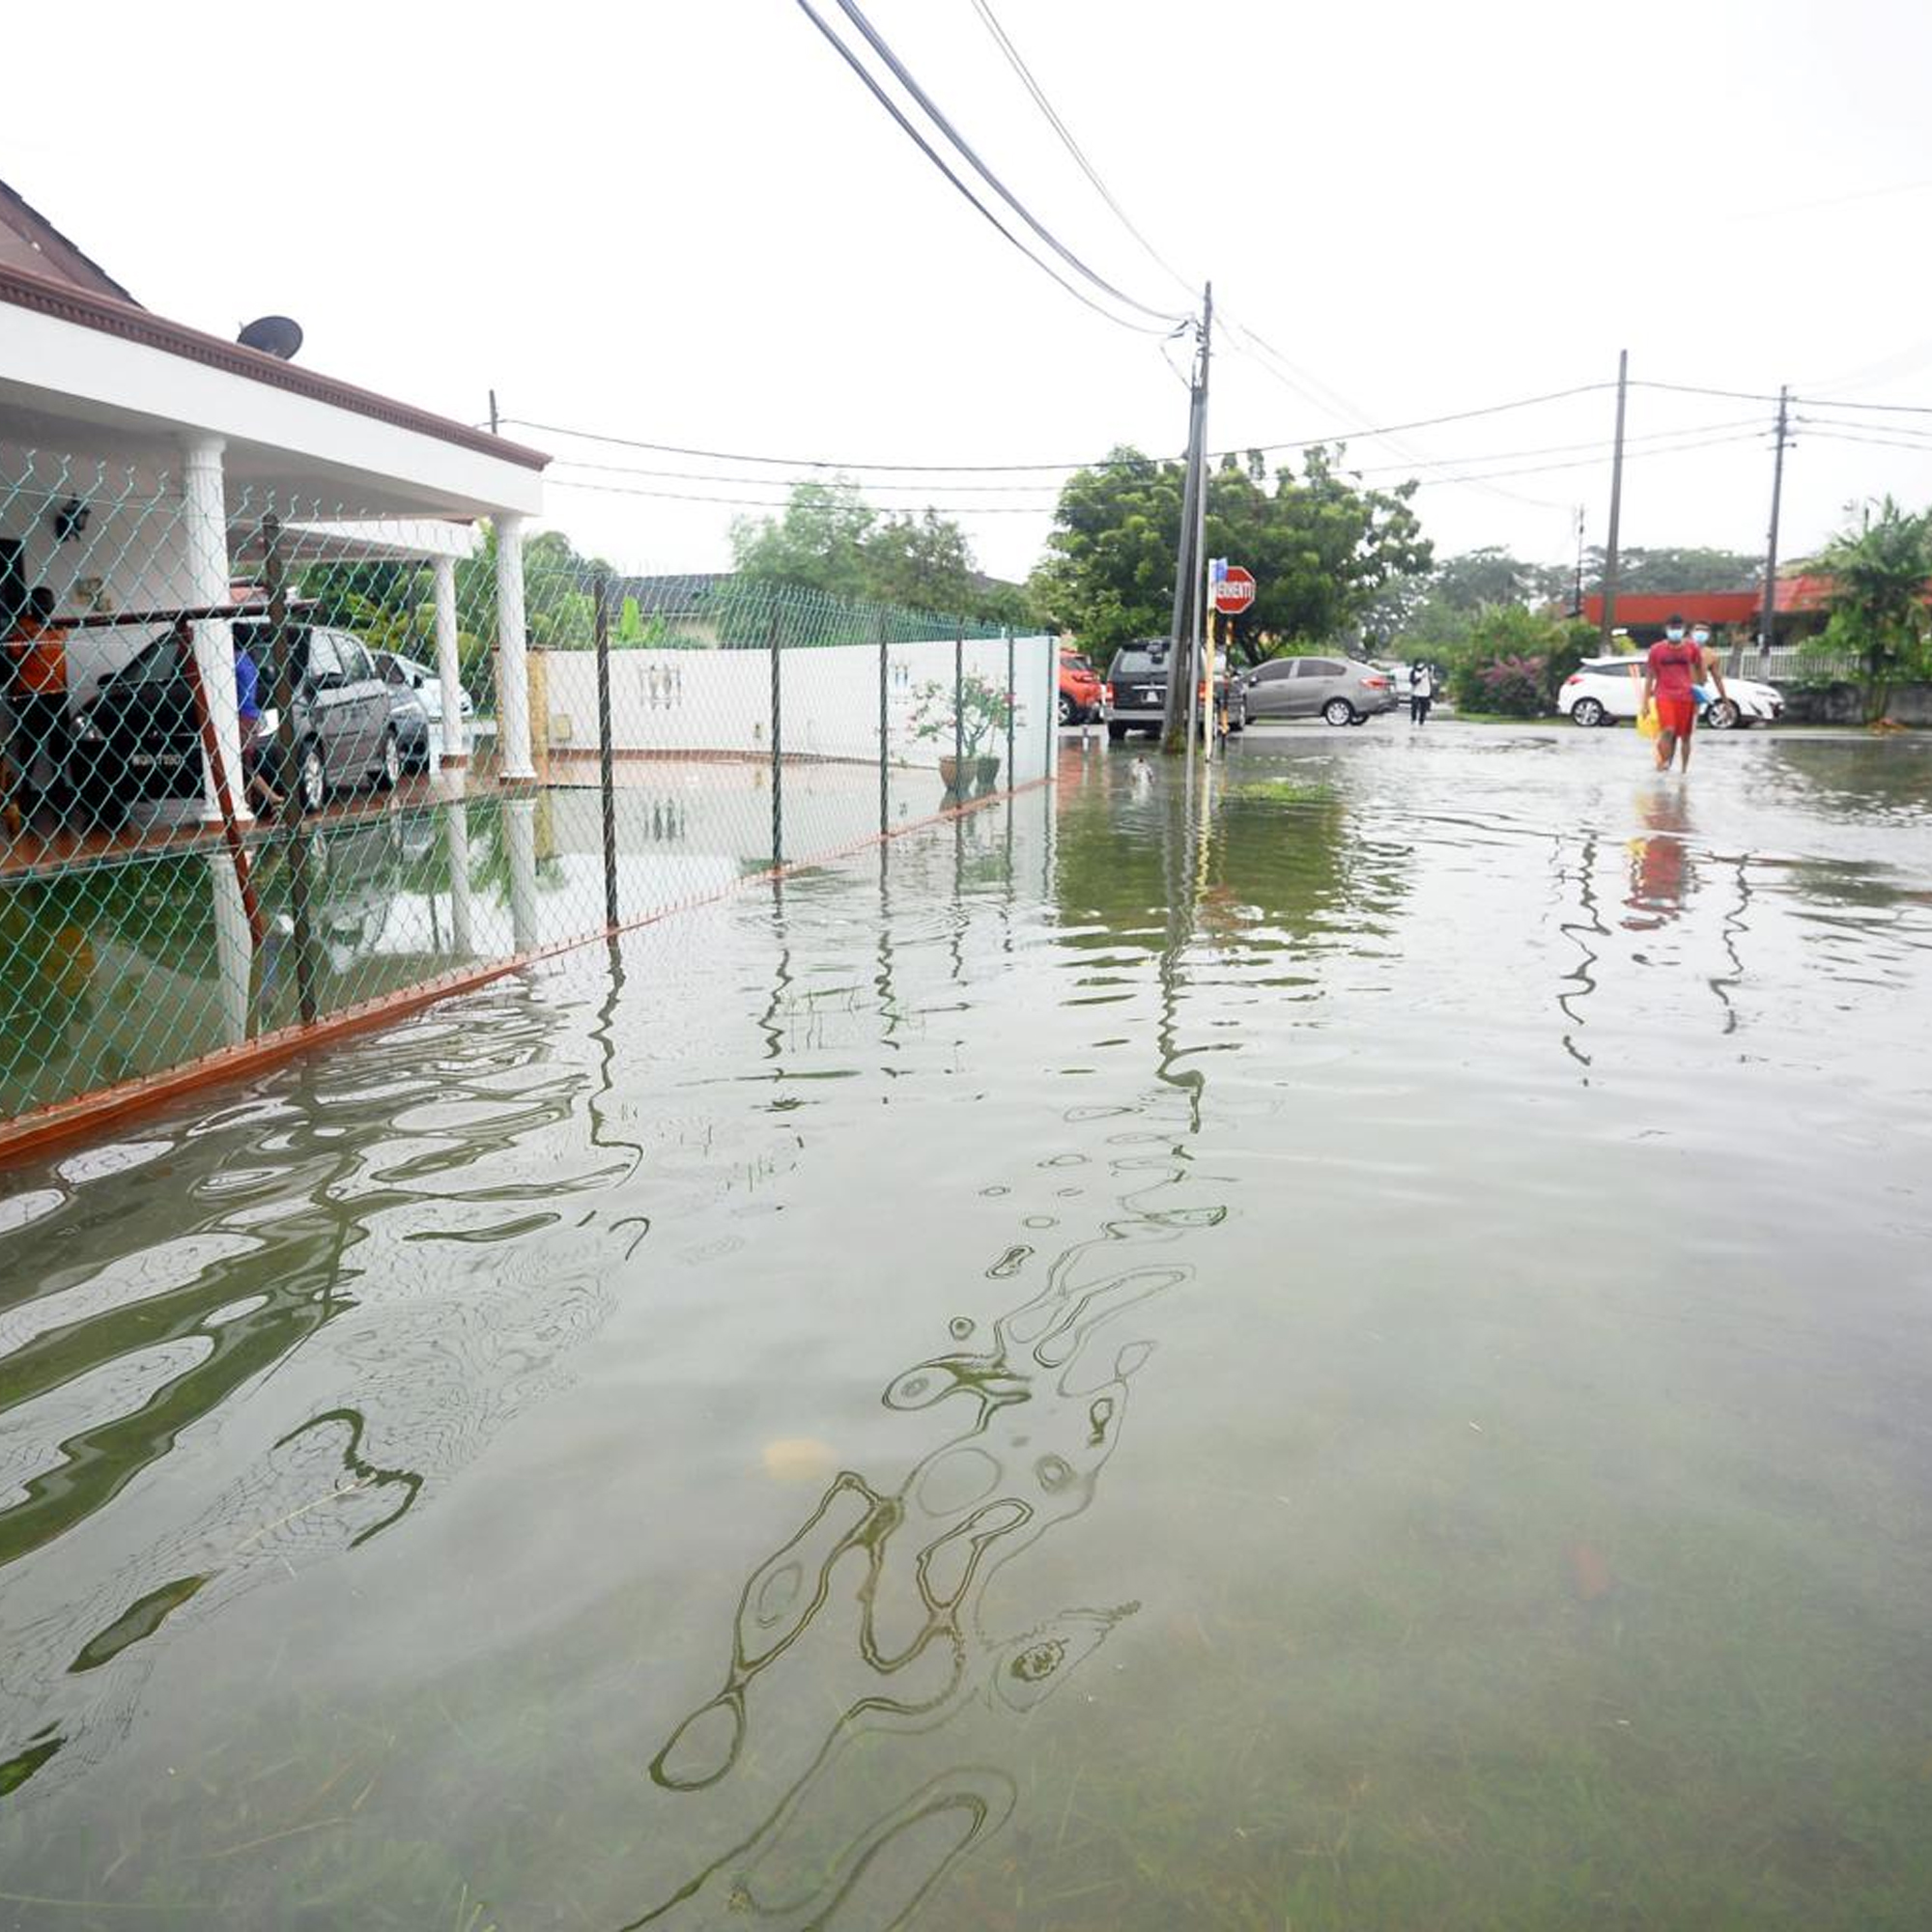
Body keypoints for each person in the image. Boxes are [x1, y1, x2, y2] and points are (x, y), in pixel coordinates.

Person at [5, 587, 71, 818]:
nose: (45, 606)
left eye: (48, 602)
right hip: (30, 695)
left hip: (57, 692)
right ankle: (25, 789)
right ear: (32, 605)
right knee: (30, 744)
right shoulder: (22, 628)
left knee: (59, 743)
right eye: (41, 602)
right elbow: (13, 655)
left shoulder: (60, 626)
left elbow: (62, 658)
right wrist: (30, 643)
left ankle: (60, 786)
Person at [1642, 613, 1726, 774]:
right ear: (1666, 629)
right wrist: (1645, 703)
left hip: (1686, 697)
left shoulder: (1692, 648)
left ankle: (1683, 772)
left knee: (1685, 737)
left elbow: (1699, 669)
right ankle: (1663, 765)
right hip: (1664, 695)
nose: (1675, 631)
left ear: (1684, 630)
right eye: (1672, 628)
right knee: (1668, 731)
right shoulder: (1656, 650)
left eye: (1678, 628)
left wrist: (1700, 689)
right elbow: (1650, 677)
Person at [234, 640, 283, 815]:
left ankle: (272, 798)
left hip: (243, 717)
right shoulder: (248, 660)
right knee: (244, 761)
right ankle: (249, 807)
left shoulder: (234, 660)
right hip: (252, 714)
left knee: (240, 764)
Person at [1409, 659, 1435, 725]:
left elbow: (1430, 680)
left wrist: (1431, 693)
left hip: (1425, 692)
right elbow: (1412, 682)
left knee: (1423, 708)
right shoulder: (1413, 672)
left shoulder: (1428, 671)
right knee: (1414, 706)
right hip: (1416, 692)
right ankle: (1413, 719)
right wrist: (1419, 679)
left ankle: (1421, 721)